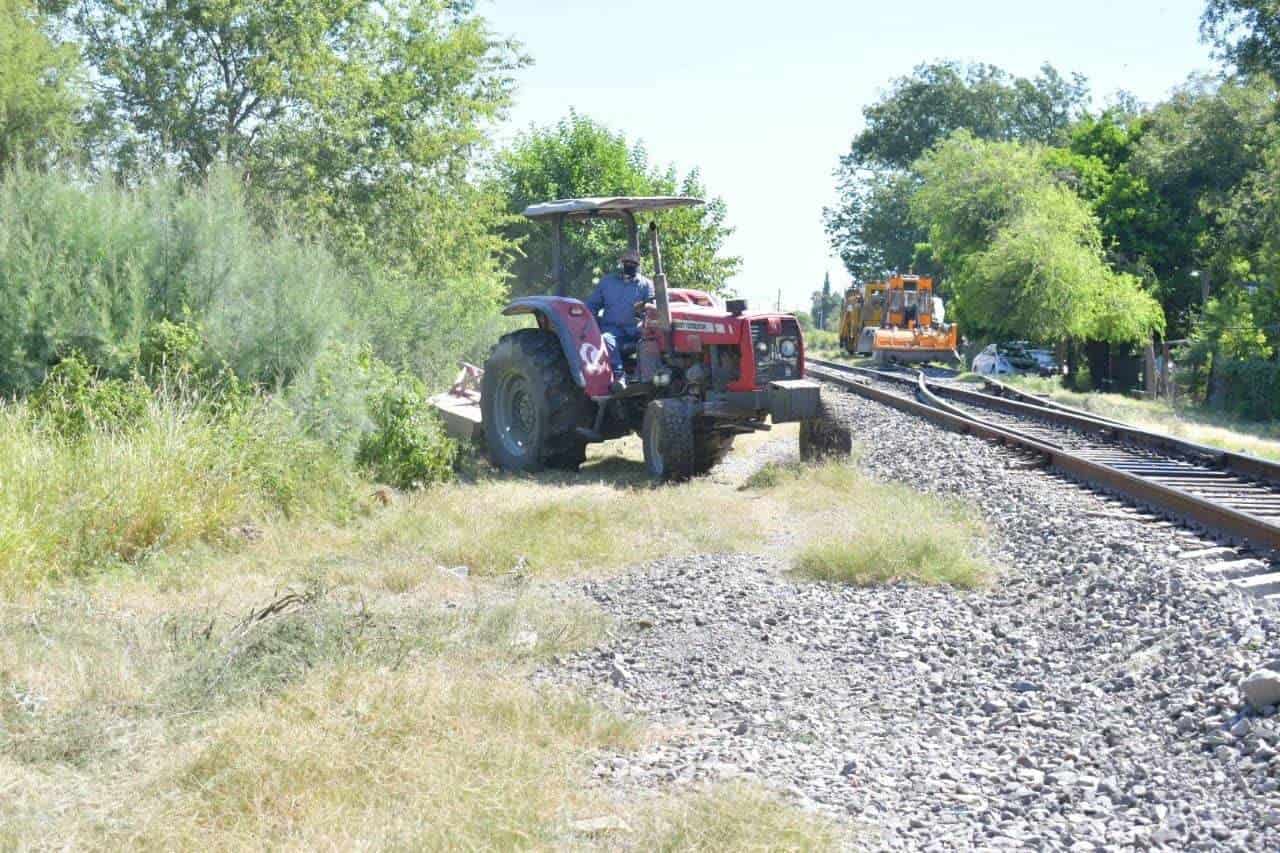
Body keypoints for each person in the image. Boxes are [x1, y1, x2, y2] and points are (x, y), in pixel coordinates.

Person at [586, 249, 653, 393]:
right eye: (627, 262)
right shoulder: (607, 283)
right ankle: (619, 375)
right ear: (621, 263)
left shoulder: (646, 285)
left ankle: (650, 376)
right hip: (613, 331)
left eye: (633, 263)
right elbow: (591, 306)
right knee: (606, 338)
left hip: (636, 330)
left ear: (638, 264)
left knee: (653, 340)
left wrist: (645, 315)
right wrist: (589, 323)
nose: (630, 265)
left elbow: (653, 309)